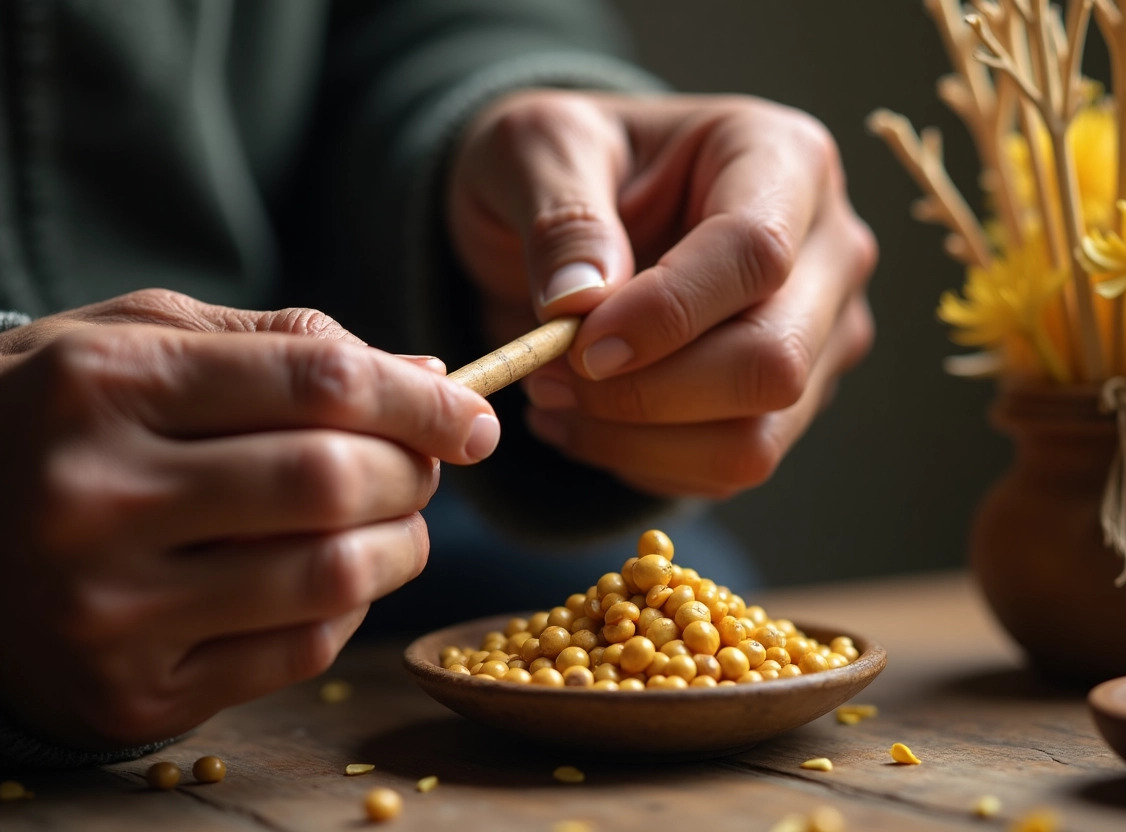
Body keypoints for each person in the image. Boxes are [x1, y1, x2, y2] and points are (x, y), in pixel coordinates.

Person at [0, 0, 875, 770]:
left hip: (298, 461)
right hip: (257, 472)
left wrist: (502, 124)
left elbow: (412, 20)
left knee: (627, 568)